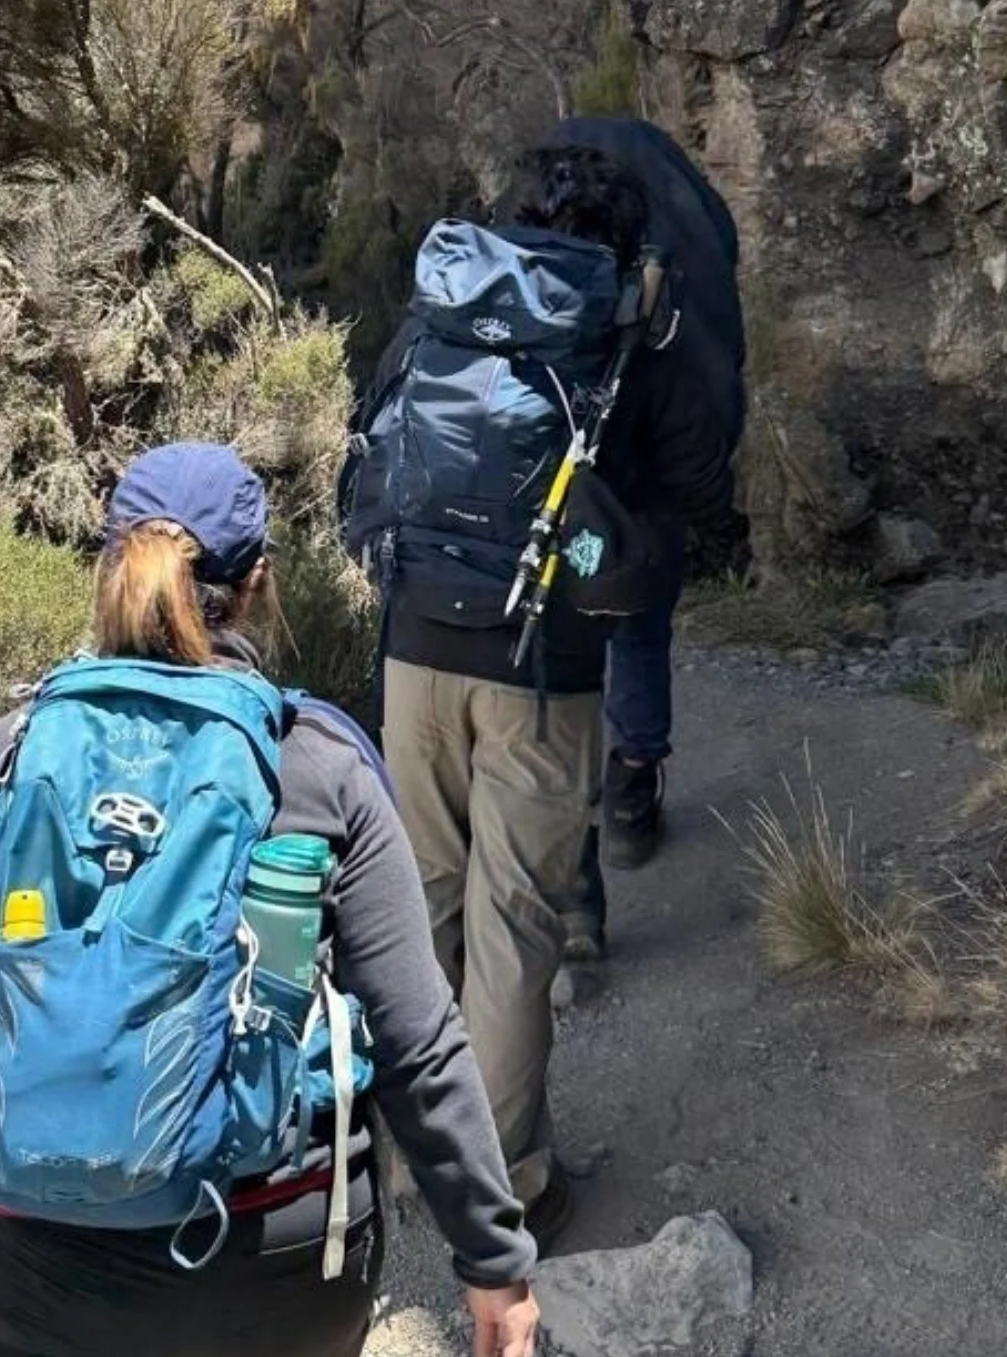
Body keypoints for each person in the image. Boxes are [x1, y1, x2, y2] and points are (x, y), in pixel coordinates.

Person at [0, 442, 541, 1357]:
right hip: (274, 1265)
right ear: (258, 585)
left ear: (109, 571)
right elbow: (417, 1041)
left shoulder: (16, 748)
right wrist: (491, 1258)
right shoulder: (316, 763)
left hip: (48, 1265)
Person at [343, 141, 738, 1243]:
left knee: (419, 903)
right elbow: (702, 479)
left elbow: (369, 433)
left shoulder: (446, 308)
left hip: (411, 647)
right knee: (515, 919)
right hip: (538, 667)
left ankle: (403, 1152)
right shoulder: (619, 330)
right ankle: (503, 1182)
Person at [535, 119, 747, 964]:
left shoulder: (509, 288)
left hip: (536, 502)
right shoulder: (671, 271)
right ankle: (629, 790)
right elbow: (703, 453)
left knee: (549, 675)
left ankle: (574, 881)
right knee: (640, 621)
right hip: (639, 499)